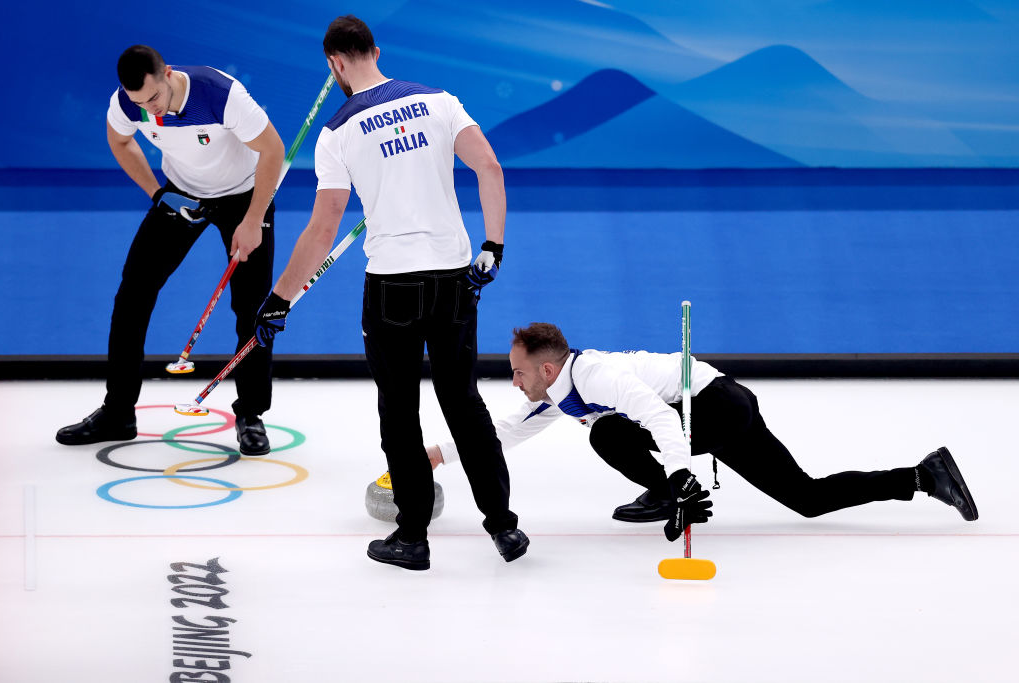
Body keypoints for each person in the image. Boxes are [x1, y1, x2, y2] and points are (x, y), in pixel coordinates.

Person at [253, 15, 528, 570]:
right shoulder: (440, 101)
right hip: (455, 277)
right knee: (464, 404)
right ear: (375, 51)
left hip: (392, 287)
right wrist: (492, 247)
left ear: (335, 64)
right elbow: (491, 168)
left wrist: (280, 297)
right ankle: (503, 528)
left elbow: (325, 224)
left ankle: (412, 538)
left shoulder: (337, 131)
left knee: (399, 413)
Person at [425, 323, 979, 540]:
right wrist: (435, 456)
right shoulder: (557, 394)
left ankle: (673, 491)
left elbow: (664, 420)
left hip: (713, 406)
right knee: (808, 499)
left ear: (547, 369)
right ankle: (922, 475)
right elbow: (501, 433)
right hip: (720, 407)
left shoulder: (596, 374)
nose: (512, 381)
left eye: (518, 372)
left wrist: (682, 481)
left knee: (606, 435)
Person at [55, 45, 285, 455]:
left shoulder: (220, 93)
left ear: (168, 74)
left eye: (153, 98)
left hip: (246, 196)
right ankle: (118, 411)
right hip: (183, 196)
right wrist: (158, 194)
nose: (148, 109)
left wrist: (252, 222)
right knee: (133, 293)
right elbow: (120, 142)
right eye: (138, 102)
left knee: (250, 308)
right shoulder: (128, 104)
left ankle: (251, 415)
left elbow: (273, 150)